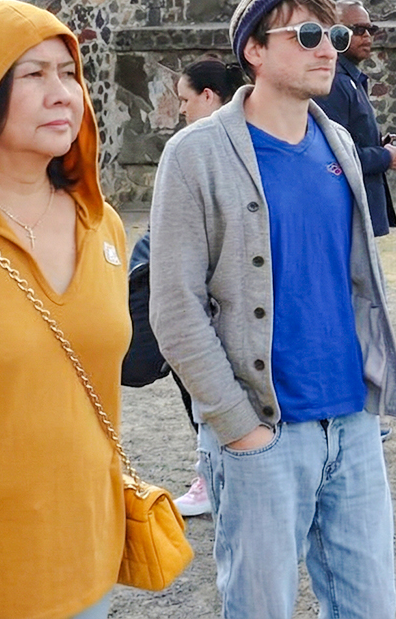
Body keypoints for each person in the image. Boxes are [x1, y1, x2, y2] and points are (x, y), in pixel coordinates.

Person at [149, 0, 396, 618]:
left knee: (370, 607)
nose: (330, 51)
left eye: (336, 37)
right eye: (309, 35)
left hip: (351, 420)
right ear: (254, 51)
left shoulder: (338, 143)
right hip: (264, 426)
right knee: (260, 608)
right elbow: (175, 307)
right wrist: (237, 427)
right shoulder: (195, 154)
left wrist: (368, 404)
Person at [0, 0, 130, 619]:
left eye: (68, 72)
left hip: (87, 565)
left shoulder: (102, 226)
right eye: (32, 74)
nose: (63, 95)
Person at [124, 57, 245, 519]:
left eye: (185, 99)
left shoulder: (197, 150)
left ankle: (213, 474)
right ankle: (212, 472)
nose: (180, 109)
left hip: (205, 289)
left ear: (209, 97)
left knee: (203, 376)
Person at [315, 0, 396, 237]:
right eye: (358, 30)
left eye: (371, 29)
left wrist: (381, 146)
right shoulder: (335, 82)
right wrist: (384, 156)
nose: (367, 36)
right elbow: (331, 155)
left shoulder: (350, 79)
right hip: (345, 214)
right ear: (335, 33)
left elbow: (350, 140)